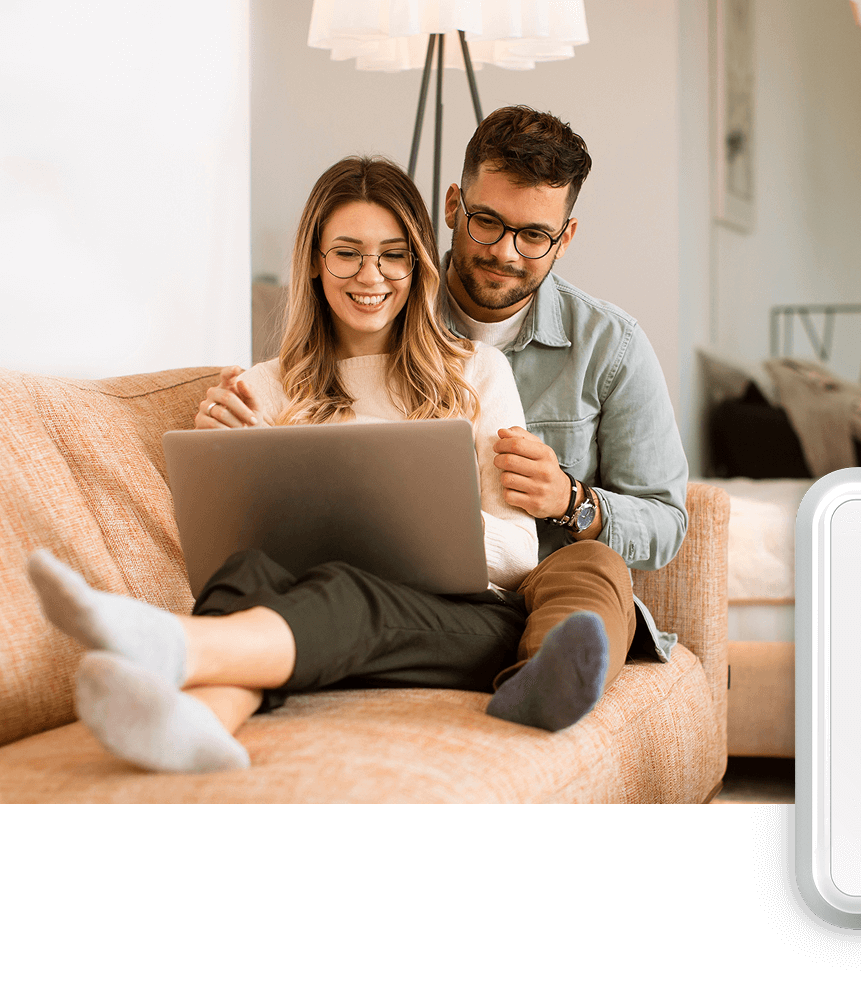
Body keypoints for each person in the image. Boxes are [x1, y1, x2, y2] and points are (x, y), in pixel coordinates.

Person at [26, 156, 617, 775]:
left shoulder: (474, 373)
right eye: (347, 252)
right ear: (315, 258)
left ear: (418, 265)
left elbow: (522, 552)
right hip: (316, 608)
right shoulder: (264, 387)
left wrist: (385, 516)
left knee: (347, 589)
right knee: (249, 571)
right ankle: (201, 721)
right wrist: (229, 460)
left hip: (465, 621)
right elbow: (231, 553)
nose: (372, 275)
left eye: (394, 254)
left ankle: (170, 643)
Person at [200, 107, 691, 708]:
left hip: (534, 579)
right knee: (262, 578)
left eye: (534, 235)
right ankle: (196, 701)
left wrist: (573, 502)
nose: (506, 252)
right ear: (454, 206)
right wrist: (224, 452)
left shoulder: (605, 347)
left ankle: (551, 674)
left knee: (587, 564)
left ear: (565, 236)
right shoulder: (385, 306)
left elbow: (666, 522)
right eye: (487, 222)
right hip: (388, 592)